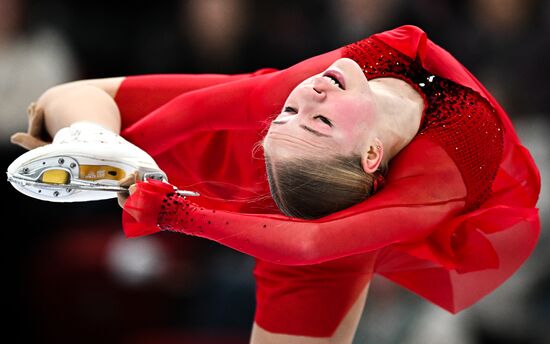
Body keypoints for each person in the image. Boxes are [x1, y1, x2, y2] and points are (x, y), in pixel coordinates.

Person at [9, 25, 540, 344]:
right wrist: (120, 152)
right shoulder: (310, 93)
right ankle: (93, 135)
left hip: (325, 236)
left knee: (73, 98)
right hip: (257, 148)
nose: (310, 98)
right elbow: (204, 108)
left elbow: (309, 242)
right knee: (72, 94)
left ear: (372, 156)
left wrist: (173, 210)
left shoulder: (436, 179)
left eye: (305, 113)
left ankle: (93, 134)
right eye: (307, 113)